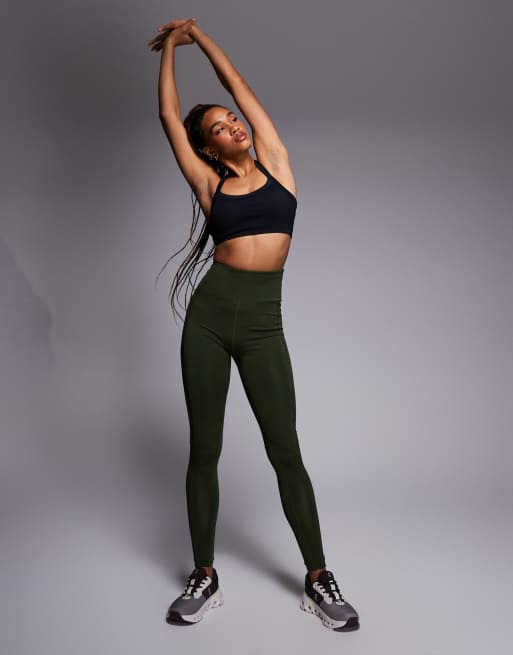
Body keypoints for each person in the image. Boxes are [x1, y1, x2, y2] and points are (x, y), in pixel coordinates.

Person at [148, 18, 360, 632]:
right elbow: (168, 118)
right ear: (210, 149)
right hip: (209, 321)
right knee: (204, 448)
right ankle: (204, 574)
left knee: (285, 449)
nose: (233, 124)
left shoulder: (278, 163)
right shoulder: (208, 184)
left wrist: (198, 35)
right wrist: (169, 50)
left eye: (232, 119)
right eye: (219, 127)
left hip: (264, 324)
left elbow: (237, 85)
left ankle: (318, 577)